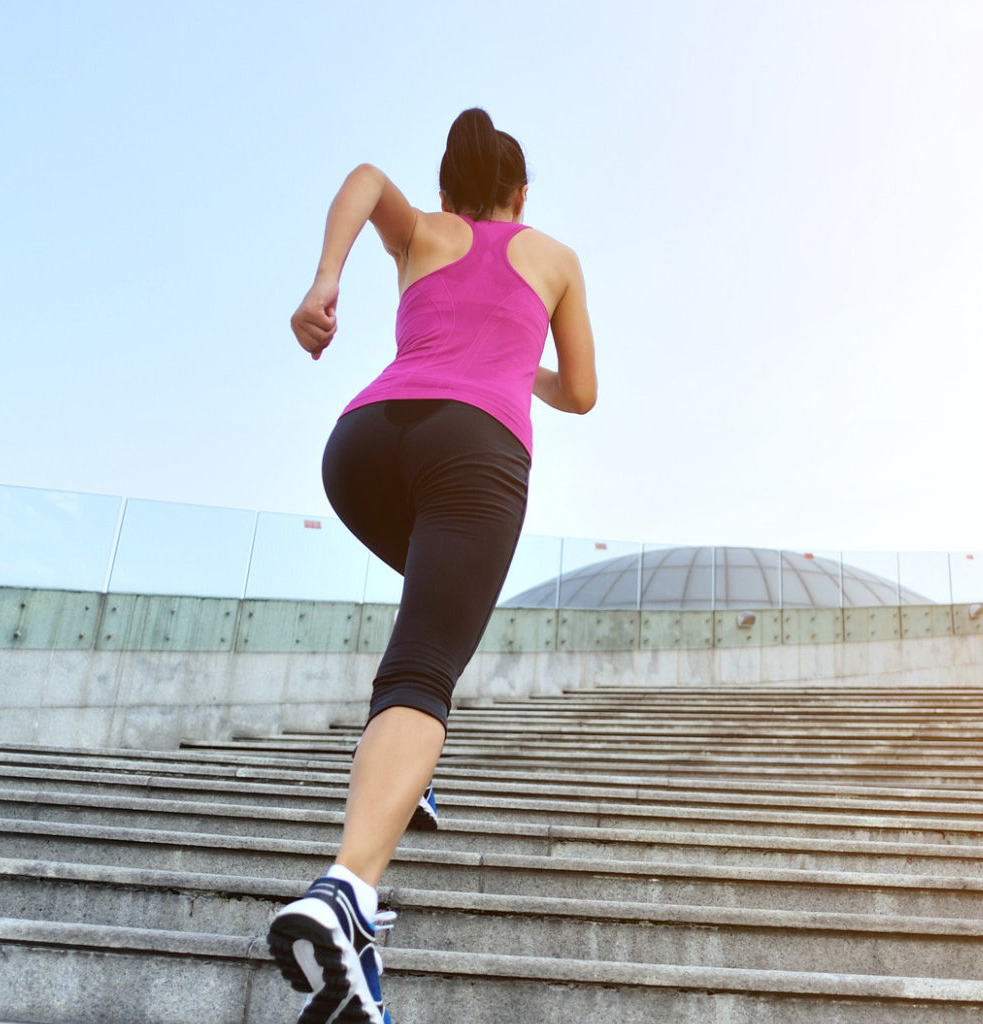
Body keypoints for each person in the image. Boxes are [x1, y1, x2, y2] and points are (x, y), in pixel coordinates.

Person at [266, 108, 597, 1024]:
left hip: (363, 446)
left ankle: (369, 918)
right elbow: (582, 392)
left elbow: (367, 178)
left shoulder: (423, 233)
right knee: (422, 674)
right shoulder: (555, 258)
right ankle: (345, 892)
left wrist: (324, 283)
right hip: (473, 450)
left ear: (448, 188)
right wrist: (517, 360)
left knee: (427, 629)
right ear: (520, 194)